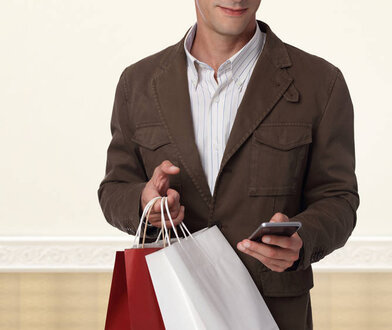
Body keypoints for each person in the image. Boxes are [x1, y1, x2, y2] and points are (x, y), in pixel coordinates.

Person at [97, 0, 359, 328]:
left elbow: (339, 200)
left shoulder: (320, 83)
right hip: (171, 307)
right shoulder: (138, 83)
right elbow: (114, 188)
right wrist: (144, 203)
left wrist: (301, 240)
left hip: (273, 313)